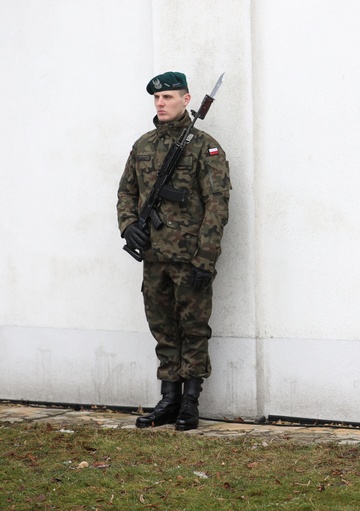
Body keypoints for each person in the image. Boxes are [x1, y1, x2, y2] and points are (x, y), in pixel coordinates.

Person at [117, 71, 231, 431]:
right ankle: (168, 400)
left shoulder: (203, 146)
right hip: (154, 257)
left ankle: (190, 403)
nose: (161, 103)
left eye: (168, 97)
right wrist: (128, 225)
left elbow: (217, 204)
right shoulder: (143, 145)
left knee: (193, 329)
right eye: (157, 98)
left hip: (190, 258)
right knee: (164, 329)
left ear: (187, 99)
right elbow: (127, 194)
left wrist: (206, 257)